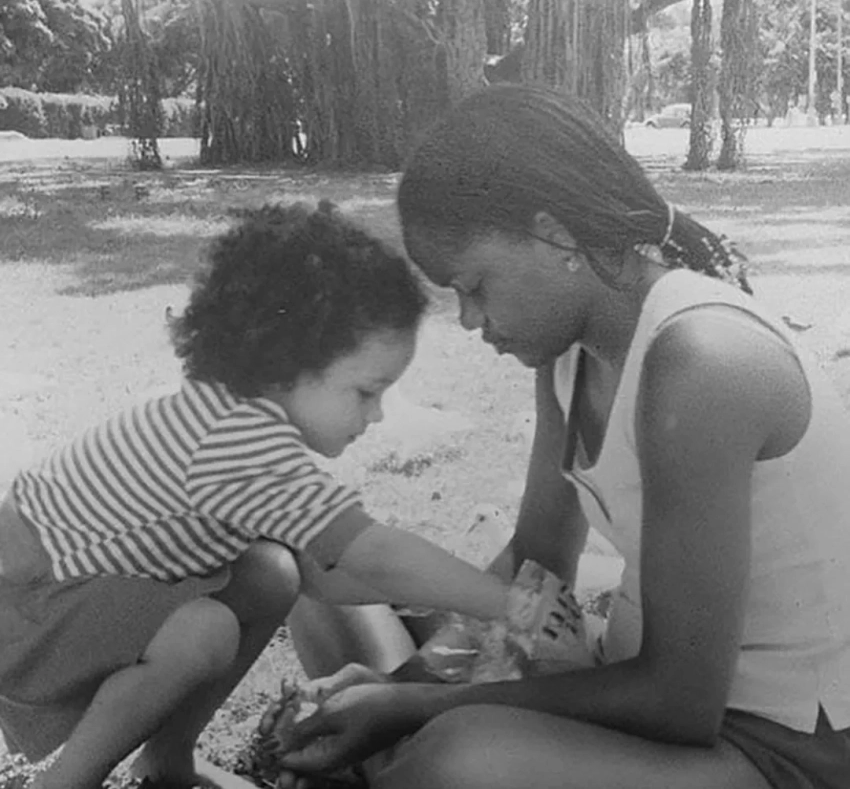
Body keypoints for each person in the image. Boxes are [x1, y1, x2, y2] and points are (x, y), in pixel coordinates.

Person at [279, 85, 850, 789]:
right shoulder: (570, 356)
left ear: (555, 235)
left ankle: (400, 761)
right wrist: (402, 684)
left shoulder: (701, 361)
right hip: (635, 685)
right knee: (324, 600)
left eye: (476, 287)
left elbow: (681, 701)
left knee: (462, 756)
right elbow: (538, 569)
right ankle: (389, 756)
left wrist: (415, 707)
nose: (470, 320)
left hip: (776, 745)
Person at [0, 201, 511, 789]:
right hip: (28, 621)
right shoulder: (240, 442)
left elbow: (327, 577)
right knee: (205, 631)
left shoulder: (235, 415)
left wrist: (441, 599)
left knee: (272, 572)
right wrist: (509, 604)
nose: (375, 416)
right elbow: (372, 555)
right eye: (366, 392)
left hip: (63, 604)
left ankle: (168, 761)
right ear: (286, 366)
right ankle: (64, 783)